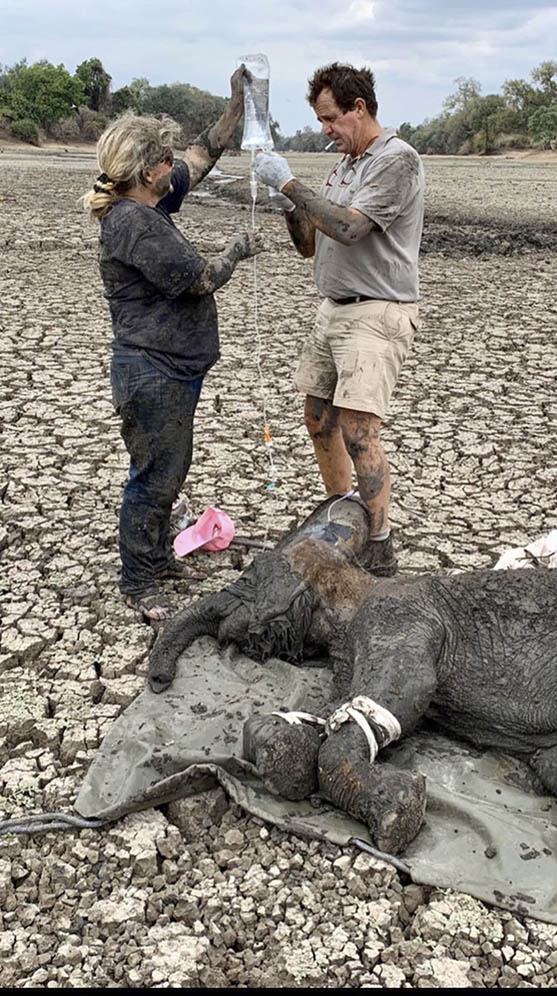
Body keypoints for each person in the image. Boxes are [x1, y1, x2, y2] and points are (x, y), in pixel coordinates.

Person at [82, 67, 268, 621]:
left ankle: (159, 557)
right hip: (152, 369)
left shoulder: (148, 201)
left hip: (171, 366)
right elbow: (199, 279)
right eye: (164, 161)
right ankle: (138, 579)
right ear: (145, 171)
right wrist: (237, 250)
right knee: (155, 475)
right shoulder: (134, 223)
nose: (173, 166)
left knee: (170, 467)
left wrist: (237, 104)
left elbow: (202, 155)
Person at [253, 62, 424, 577]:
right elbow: (310, 244)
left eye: (331, 118)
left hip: (377, 311)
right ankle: (338, 509)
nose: (326, 130)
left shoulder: (397, 161)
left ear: (359, 108)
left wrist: (288, 184)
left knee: (358, 429)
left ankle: (378, 541)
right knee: (318, 417)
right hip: (333, 308)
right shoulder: (344, 165)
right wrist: (289, 206)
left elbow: (350, 228)